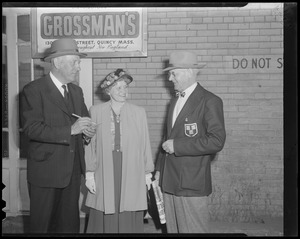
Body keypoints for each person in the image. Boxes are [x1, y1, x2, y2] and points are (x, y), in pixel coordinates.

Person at [20, 38, 96, 234]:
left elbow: (83, 121)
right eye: (75, 62)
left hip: (71, 172)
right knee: (42, 226)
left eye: (79, 62)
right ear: (57, 62)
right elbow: (32, 129)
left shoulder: (76, 91)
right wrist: (71, 130)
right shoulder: (33, 90)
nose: (78, 67)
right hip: (45, 173)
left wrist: (88, 132)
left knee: (69, 226)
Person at [154, 51, 226, 233]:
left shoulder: (210, 101)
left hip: (191, 183)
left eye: (173, 73)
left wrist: (177, 146)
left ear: (187, 72)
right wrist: (158, 170)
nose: (170, 78)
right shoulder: (174, 101)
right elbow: (166, 138)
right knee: (173, 230)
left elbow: (216, 141)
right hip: (169, 180)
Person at [84, 68, 154, 233]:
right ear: (108, 90)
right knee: (105, 204)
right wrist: (89, 172)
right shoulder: (95, 111)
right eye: (118, 87)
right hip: (104, 167)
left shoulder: (139, 112)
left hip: (131, 167)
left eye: (126, 87)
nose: (123, 91)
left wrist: (147, 172)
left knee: (128, 204)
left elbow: (145, 142)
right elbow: (89, 143)